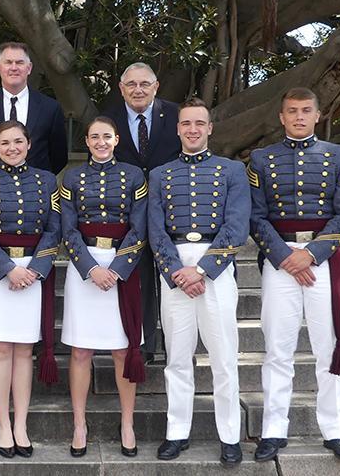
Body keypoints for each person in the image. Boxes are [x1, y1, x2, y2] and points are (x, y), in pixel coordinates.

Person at [248, 87, 340, 463]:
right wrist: (284, 256)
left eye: (306, 110)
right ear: (281, 117)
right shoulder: (261, 160)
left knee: (328, 348)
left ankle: (335, 429)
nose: (299, 116)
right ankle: (273, 429)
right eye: (292, 111)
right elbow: (255, 216)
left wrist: (310, 254)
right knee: (277, 350)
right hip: (279, 260)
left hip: (323, 260)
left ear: (317, 115)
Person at [148, 97, 249, 465]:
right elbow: (155, 229)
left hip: (215, 271)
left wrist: (203, 269)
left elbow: (237, 226)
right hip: (174, 270)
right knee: (177, 357)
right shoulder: (160, 174)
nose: (192, 129)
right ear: (178, 129)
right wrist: (177, 270)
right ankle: (177, 432)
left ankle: (230, 436)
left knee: (223, 357)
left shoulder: (232, 170)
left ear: (209, 128)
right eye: (186, 123)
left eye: (199, 123)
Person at [0, 120, 61, 459]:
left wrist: (35, 270)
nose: (12, 148)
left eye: (18, 141)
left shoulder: (48, 181)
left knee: (24, 352)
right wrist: (7, 269)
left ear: (29, 144)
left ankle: (21, 424)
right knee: (1, 351)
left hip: (33, 274)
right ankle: (3, 425)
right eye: (5, 143)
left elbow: (54, 229)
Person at [59, 116, 147, 458]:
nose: (100, 142)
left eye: (106, 136)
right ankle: (79, 423)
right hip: (86, 269)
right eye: (94, 137)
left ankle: (127, 423)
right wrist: (91, 268)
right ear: (86, 141)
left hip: (122, 267)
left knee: (122, 350)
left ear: (116, 139)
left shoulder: (134, 175)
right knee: (81, 351)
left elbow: (140, 228)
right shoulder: (73, 177)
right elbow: (68, 230)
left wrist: (117, 268)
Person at [102, 62, 180, 363]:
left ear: (156, 86)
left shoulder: (175, 116)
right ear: (121, 88)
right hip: (128, 214)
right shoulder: (109, 119)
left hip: (170, 210)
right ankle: (144, 345)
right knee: (141, 279)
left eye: (144, 84)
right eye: (131, 84)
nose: (138, 90)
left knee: (172, 279)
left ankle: (177, 348)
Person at [0, 41, 68, 174]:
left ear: (29, 68)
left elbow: (59, 156)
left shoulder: (50, 108)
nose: (14, 67)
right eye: (8, 62)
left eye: (20, 62)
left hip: (35, 189)